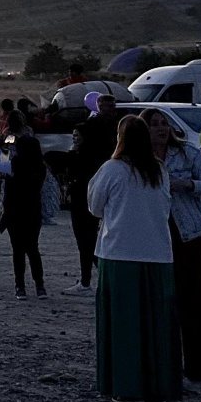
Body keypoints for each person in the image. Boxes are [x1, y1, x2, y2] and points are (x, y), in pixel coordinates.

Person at [89, 116, 182, 402]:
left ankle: (128, 388)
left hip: (120, 254)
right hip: (158, 255)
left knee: (125, 324)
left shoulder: (113, 169)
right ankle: (157, 388)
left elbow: (94, 206)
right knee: (156, 325)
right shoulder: (159, 171)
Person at [150, 113, 201, 384]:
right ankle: (164, 368)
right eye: (153, 124)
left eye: (164, 123)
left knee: (193, 302)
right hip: (154, 237)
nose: (160, 129)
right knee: (160, 303)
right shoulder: (136, 159)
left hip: (187, 235)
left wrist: (187, 184)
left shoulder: (187, 153)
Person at [66, 93, 122, 294]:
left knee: (87, 238)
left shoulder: (96, 131)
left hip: (88, 189)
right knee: (94, 238)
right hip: (101, 186)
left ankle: (88, 280)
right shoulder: (114, 128)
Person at [0, 110, 47, 297]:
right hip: (33, 208)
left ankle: (20, 286)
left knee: (17, 250)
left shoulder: (13, 159)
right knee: (33, 249)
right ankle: (40, 285)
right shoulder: (38, 167)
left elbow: (0, 154)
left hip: (15, 209)